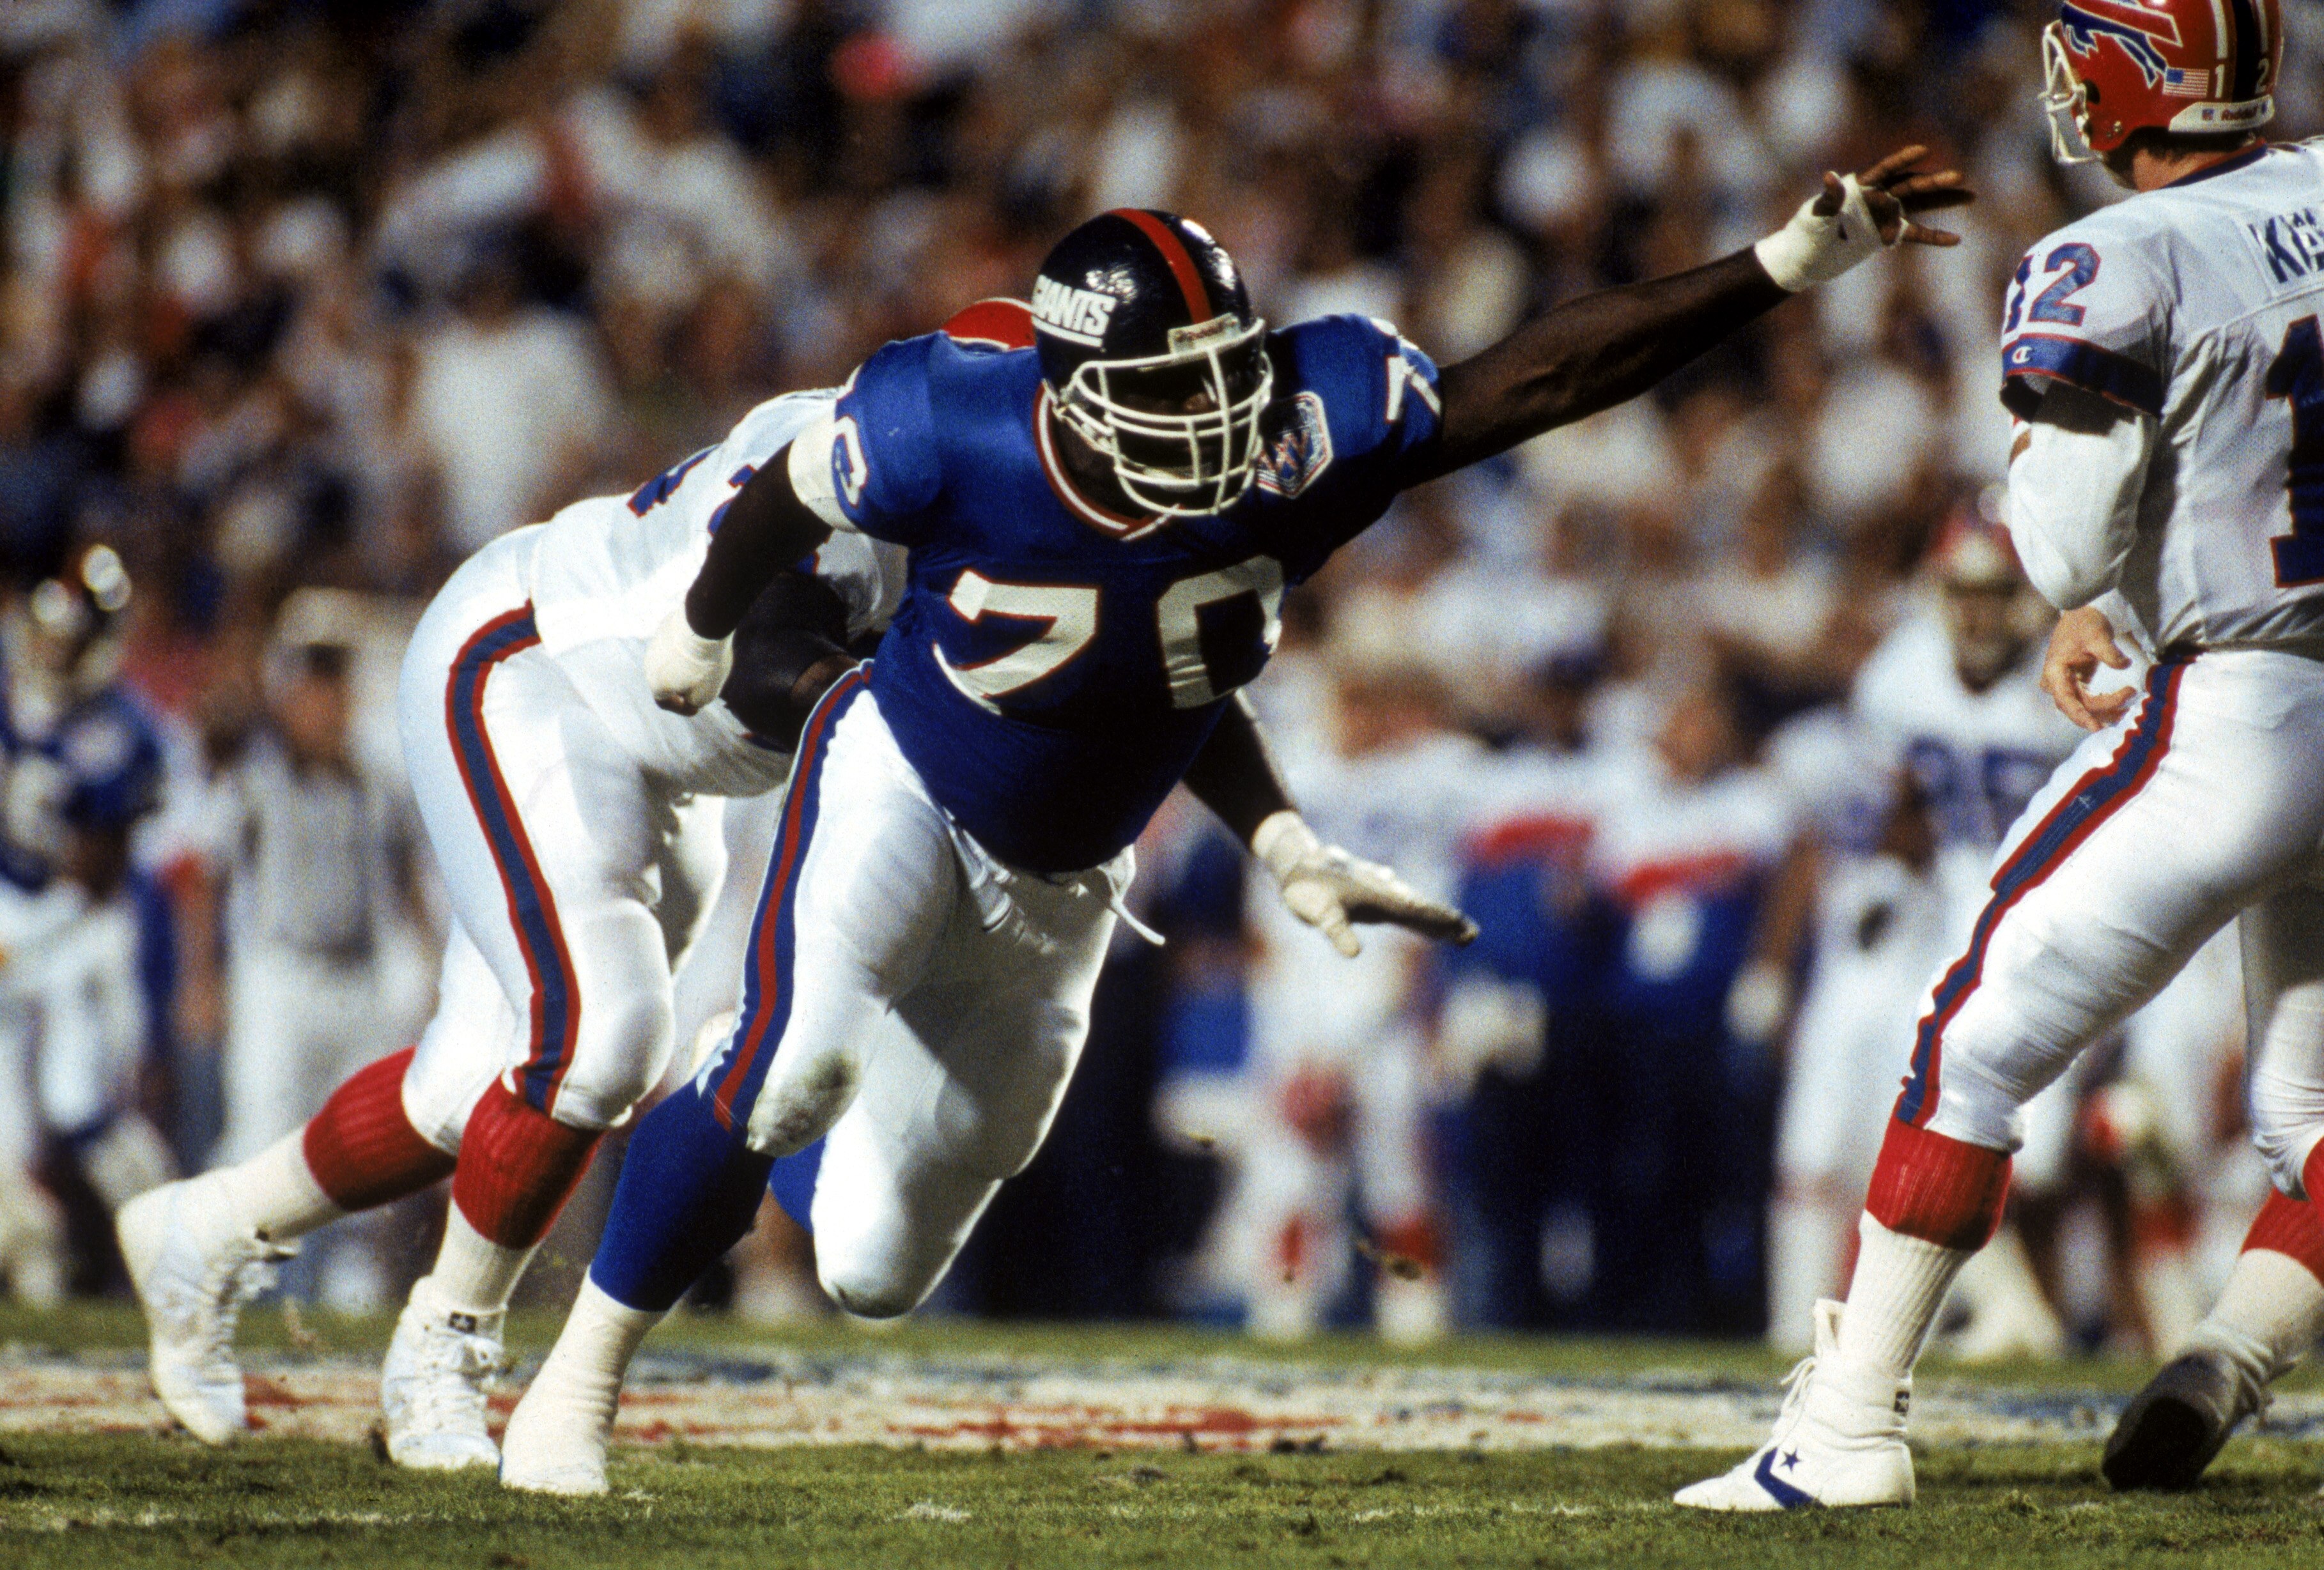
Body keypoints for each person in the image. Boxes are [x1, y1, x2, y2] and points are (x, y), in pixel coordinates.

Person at [497, 151, 1972, 1494]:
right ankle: (575, 1388)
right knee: (788, 1063)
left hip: (1073, 876)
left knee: (876, 1267)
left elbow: (1528, 383)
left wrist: (1772, 268)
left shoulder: (1306, 421)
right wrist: (697, 624)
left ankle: (808, 1092)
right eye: (1170, 391)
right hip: (902, 771)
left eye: (1226, 378)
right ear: (1069, 394)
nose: (1216, 424)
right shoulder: (950, 413)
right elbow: (780, 495)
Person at [1681, 0, 2324, 1511]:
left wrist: (2081, 571)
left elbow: (2059, 542)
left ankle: (1842, 1427)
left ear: (2135, 78)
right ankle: (2229, 1358)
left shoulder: (2119, 256)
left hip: (2236, 711)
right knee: (2311, 1124)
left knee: (1966, 1036)